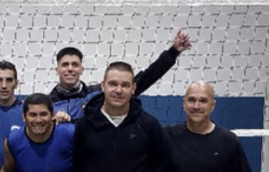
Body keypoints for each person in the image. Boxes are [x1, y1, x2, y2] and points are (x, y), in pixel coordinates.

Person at [51, 30, 192, 120]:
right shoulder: (46, 104)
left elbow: (144, 79)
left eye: (75, 65)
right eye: (65, 65)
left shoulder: (98, 95)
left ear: (82, 69)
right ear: (57, 70)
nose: (70, 69)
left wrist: (173, 52)